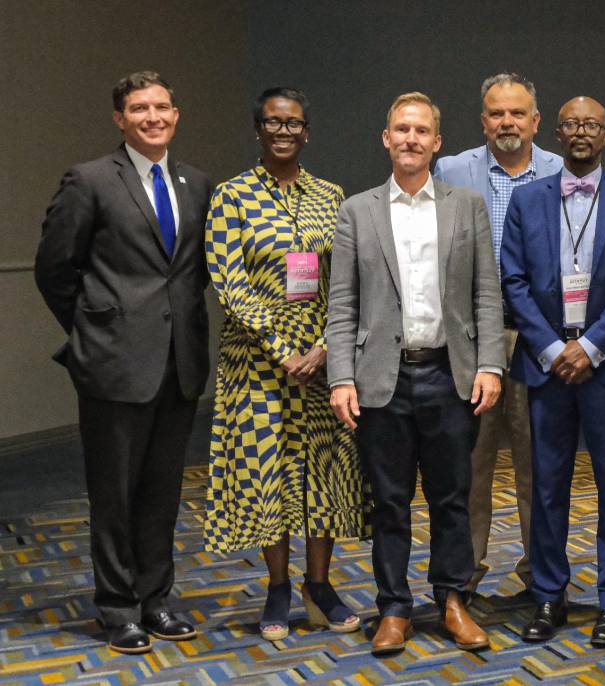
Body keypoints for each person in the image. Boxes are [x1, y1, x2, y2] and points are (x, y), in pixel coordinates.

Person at [34, 71, 212, 654]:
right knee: (113, 495)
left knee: (162, 492)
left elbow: (192, 273)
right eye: (139, 109)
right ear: (120, 119)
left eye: (161, 107)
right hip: (113, 366)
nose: (152, 117)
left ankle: (155, 600)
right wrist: (95, 331)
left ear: (176, 114)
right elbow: (54, 268)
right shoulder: (89, 180)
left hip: (179, 364)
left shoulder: (195, 183)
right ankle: (118, 608)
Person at [325, 92, 505, 653]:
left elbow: (487, 294)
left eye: (421, 131)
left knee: (453, 497)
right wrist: (340, 376)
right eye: (402, 129)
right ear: (386, 138)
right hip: (382, 380)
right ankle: (394, 609)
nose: (411, 138)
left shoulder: (466, 206)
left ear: (437, 142)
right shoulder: (357, 210)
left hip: (450, 376)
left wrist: (491, 365)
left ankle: (452, 601)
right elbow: (342, 303)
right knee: (390, 502)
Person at [204, 87, 367, 642]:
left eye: (293, 123)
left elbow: (344, 280)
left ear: (306, 132)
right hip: (255, 361)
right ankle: (277, 586)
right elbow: (229, 282)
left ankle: (318, 586)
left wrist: (324, 345)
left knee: (323, 467)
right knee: (266, 470)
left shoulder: (330, 196)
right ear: (258, 129)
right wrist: (281, 348)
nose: (283, 131)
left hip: (321, 361)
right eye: (273, 122)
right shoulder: (232, 197)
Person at [501, 96, 605, 648]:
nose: (582, 132)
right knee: (546, 487)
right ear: (557, 134)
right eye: (572, 124)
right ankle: (548, 593)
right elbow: (513, 281)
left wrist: (588, 347)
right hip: (547, 367)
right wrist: (552, 348)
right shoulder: (527, 199)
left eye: (592, 124)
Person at [433, 73, 562, 593]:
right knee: (468, 466)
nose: (507, 122)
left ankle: (542, 576)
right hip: (471, 341)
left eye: (517, 113)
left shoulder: (559, 171)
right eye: (496, 113)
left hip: (537, 339)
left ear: (535, 120)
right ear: (483, 120)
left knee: (539, 466)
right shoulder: (451, 170)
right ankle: (463, 577)